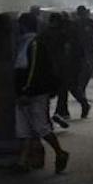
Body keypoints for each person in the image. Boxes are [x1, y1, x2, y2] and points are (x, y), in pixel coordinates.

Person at [14, 12, 69, 175]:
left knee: (41, 127)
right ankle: (23, 161)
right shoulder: (23, 43)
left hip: (34, 93)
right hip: (23, 93)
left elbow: (34, 70)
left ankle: (60, 152)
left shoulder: (34, 44)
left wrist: (26, 91)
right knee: (23, 128)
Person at [69, 3, 93, 121]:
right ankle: (84, 102)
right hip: (79, 56)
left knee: (77, 83)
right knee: (75, 84)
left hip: (84, 56)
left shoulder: (88, 22)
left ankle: (84, 101)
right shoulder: (76, 24)